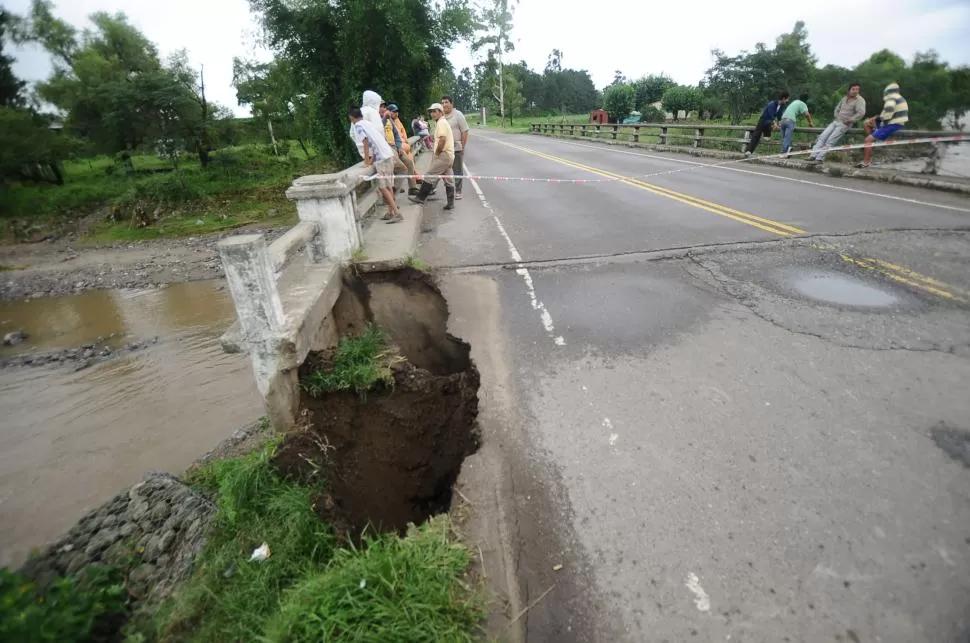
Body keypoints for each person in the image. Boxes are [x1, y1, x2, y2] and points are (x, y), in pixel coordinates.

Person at [348, 106, 403, 224]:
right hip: (387, 154)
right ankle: (391, 212)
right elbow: (376, 142)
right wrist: (372, 160)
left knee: (383, 187)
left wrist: (367, 161)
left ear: (351, 117)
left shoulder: (358, 126)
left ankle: (397, 213)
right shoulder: (367, 123)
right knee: (388, 186)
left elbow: (365, 142)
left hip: (381, 159)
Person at [408, 102, 455, 211]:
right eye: (431, 112)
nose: (432, 114)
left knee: (429, 175)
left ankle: (420, 197)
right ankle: (451, 203)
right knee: (448, 179)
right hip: (448, 155)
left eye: (434, 111)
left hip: (444, 155)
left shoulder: (441, 123)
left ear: (440, 112)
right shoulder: (441, 122)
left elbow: (442, 140)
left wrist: (437, 153)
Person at [809, 83, 866, 163]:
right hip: (836, 121)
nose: (855, 91)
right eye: (853, 89)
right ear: (849, 90)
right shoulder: (844, 98)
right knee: (822, 137)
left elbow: (861, 113)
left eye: (857, 89)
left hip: (844, 124)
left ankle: (819, 158)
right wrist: (836, 116)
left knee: (830, 141)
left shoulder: (859, 100)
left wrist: (850, 120)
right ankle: (812, 156)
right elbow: (837, 108)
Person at [857, 82, 908, 169]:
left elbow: (888, 114)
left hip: (893, 124)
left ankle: (866, 162)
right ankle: (875, 139)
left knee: (867, 140)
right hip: (893, 121)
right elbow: (887, 113)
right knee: (866, 123)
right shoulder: (899, 97)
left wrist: (877, 123)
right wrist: (876, 118)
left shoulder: (891, 98)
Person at [380, 102, 418, 195]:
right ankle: (392, 194)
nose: (384, 108)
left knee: (409, 163)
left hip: (396, 146)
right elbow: (379, 129)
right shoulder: (377, 119)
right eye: (381, 106)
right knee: (401, 168)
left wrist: (399, 146)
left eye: (385, 106)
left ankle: (412, 188)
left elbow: (396, 134)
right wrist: (385, 117)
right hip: (387, 147)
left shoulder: (391, 120)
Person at [441, 95, 469, 200]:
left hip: (456, 147)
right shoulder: (442, 116)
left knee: (457, 170)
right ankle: (435, 188)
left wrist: (462, 145)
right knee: (441, 169)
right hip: (444, 148)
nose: (444, 105)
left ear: (452, 104)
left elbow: (465, 131)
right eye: (442, 103)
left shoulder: (458, 115)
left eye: (446, 102)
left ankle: (458, 190)